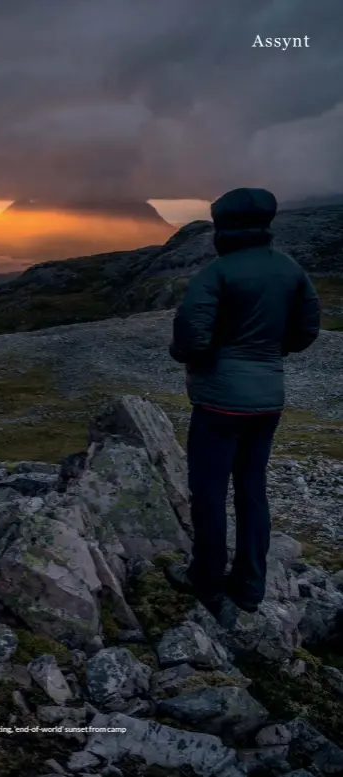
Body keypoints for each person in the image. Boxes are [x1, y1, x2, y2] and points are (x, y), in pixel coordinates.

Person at [165, 187, 321, 621]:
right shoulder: (291, 270)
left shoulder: (217, 274)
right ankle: (250, 585)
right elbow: (307, 329)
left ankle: (206, 580)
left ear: (222, 226)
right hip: (268, 400)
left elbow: (191, 338)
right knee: (253, 489)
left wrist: (195, 358)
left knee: (209, 493)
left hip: (219, 403)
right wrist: (269, 354)